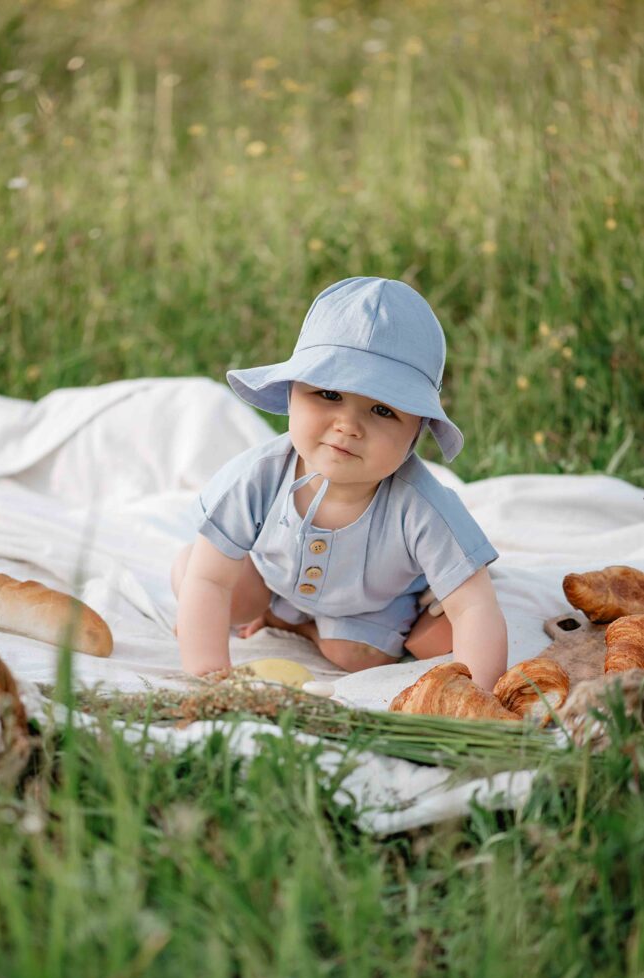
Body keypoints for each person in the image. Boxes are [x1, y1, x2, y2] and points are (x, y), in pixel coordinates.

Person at [171, 276, 507, 691]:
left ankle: (310, 630)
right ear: (291, 394)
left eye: (382, 410)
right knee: (195, 576)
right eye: (329, 394)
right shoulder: (259, 476)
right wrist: (209, 677)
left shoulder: (421, 504)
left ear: (417, 430)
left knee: (365, 656)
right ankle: (280, 615)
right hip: (272, 582)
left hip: (368, 606)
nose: (347, 425)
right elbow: (211, 580)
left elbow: (474, 605)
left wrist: (478, 696)